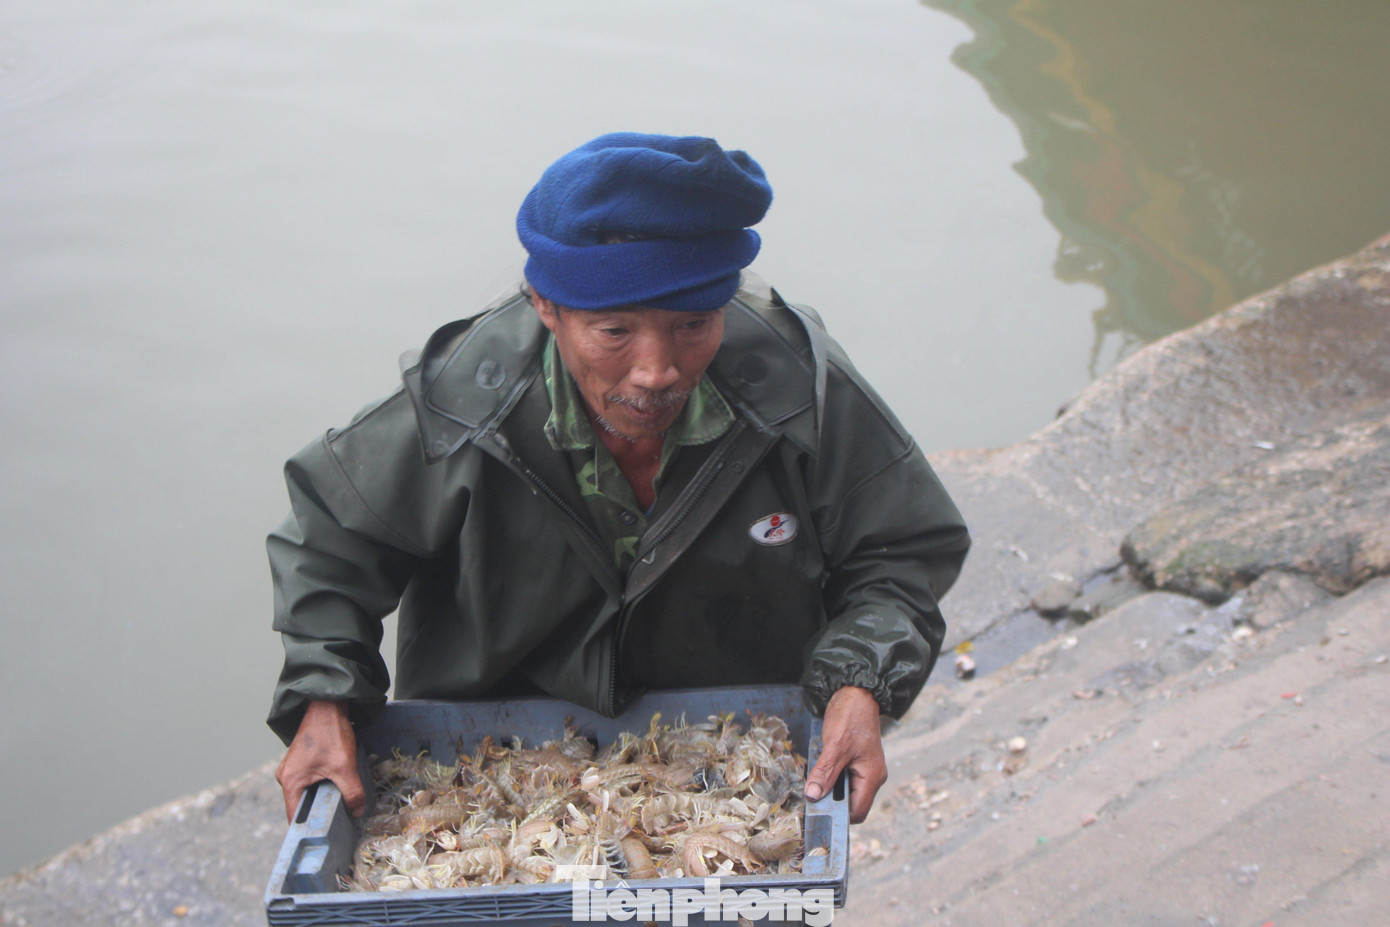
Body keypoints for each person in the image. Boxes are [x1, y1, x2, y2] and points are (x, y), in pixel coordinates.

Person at [268, 132, 970, 827]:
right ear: (547, 307)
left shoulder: (796, 391)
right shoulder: (462, 406)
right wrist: (325, 698)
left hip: (728, 762)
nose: (656, 369)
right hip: (491, 757)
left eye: (693, 324)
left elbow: (899, 550)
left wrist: (859, 680)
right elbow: (331, 540)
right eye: (615, 332)